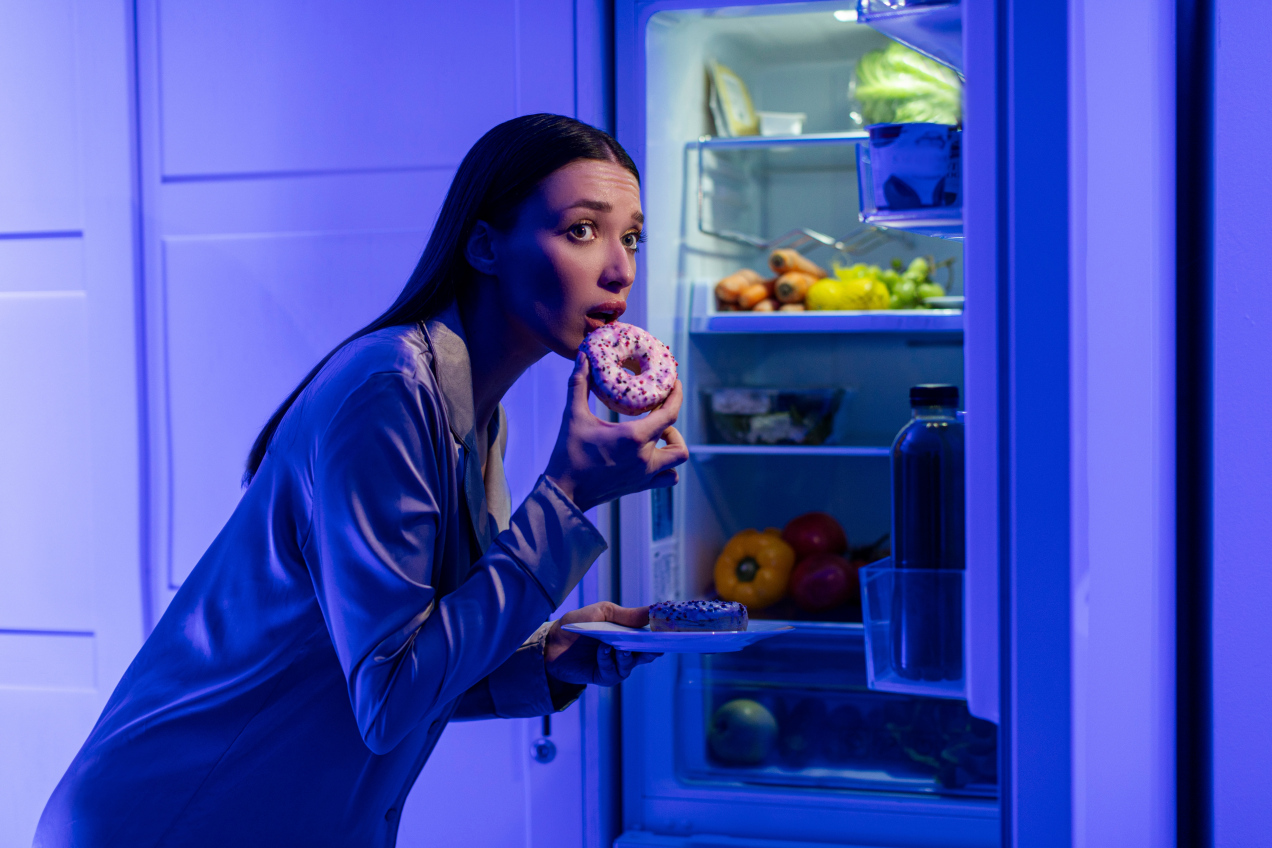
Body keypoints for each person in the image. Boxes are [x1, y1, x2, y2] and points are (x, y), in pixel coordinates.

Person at [35, 114, 687, 847]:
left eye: (632, 237)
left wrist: (548, 655)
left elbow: (397, 661)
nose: (620, 268)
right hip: (169, 819)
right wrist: (567, 498)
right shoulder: (388, 388)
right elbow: (390, 696)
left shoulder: (478, 415)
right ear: (483, 246)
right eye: (581, 230)